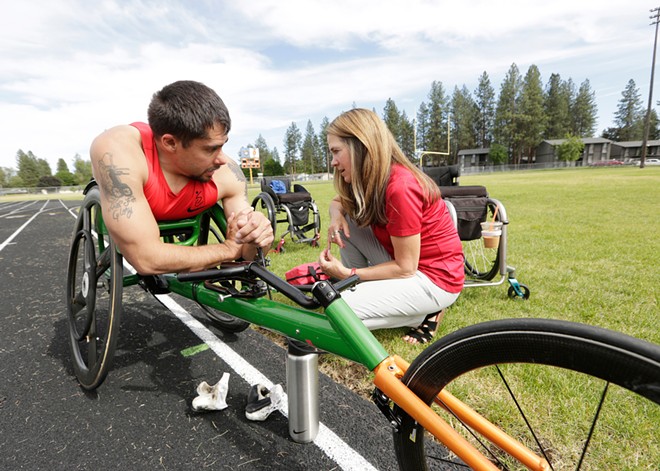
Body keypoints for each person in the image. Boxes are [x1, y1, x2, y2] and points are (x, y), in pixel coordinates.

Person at [89, 80, 274, 276]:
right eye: (210, 149)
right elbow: (146, 259)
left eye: (222, 145)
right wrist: (227, 249)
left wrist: (258, 235)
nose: (222, 159)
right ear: (169, 143)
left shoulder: (227, 173)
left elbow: (247, 256)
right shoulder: (117, 150)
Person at [317, 108, 464, 344]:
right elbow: (338, 202)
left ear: (361, 147)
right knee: (350, 220)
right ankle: (358, 290)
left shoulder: (400, 187)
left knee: (339, 313)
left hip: (435, 278)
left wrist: (349, 274)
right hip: (410, 267)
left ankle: (425, 311)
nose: (333, 162)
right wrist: (336, 218)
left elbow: (406, 267)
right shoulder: (373, 180)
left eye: (336, 152)